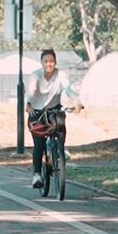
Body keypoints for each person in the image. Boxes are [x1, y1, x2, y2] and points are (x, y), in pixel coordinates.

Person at [26, 49, 81, 188]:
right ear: (41, 63)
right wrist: (28, 104)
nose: (49, 64)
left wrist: (76, 101)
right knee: (39, 144)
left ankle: (60, 150)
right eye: (46, 61)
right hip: (36, 112)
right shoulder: (35, 75)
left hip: (54, 110)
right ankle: (37, 174)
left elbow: (68, 89)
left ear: (55, 62)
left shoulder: (60, 75)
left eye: (51, 61)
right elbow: (31, 92)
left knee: (61, 124)